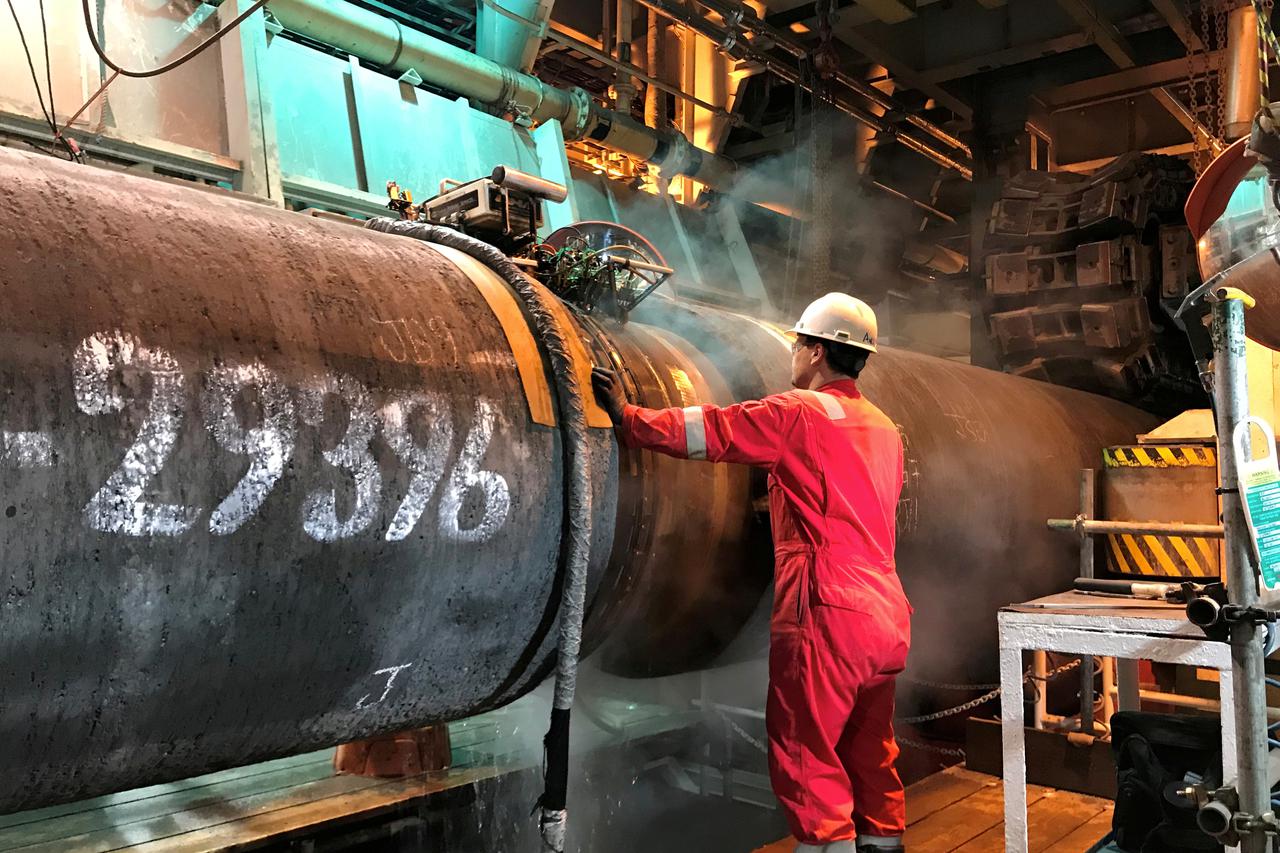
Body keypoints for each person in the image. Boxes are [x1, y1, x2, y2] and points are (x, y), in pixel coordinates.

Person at [591, 293, 911, 853]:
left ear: (815, 351)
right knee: (870, 747)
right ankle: (886, 844)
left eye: (797, 342)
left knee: (805, 747)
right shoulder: (884, 425)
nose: (792, 351)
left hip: (827, 606)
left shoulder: (800, 412)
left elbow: (712, 430)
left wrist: (627, 417)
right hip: (885, 609)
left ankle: (826, 846)